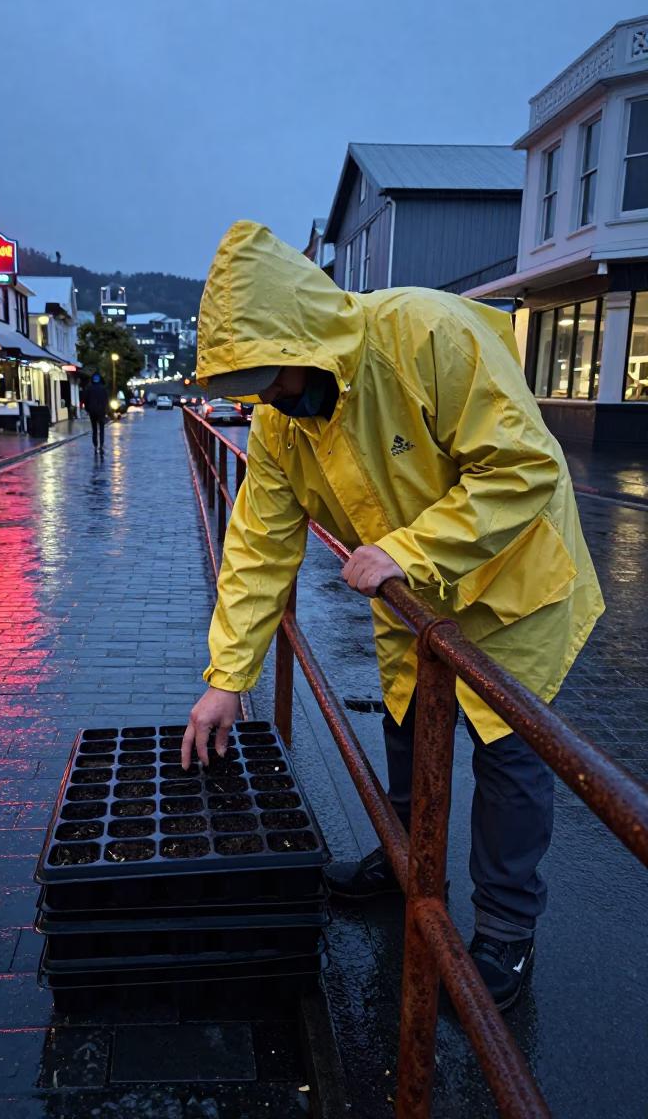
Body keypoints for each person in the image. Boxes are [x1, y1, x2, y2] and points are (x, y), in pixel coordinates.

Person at [181, 220, 604, 1011]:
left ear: (304, 336)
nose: (268, 397)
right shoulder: (281, 427)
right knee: (409, 721)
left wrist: (411, 549)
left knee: (509, 752)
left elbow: (524, 467)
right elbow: (258, 550)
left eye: (270, 376)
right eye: (252, 385)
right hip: (410, 589)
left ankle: (507, 935)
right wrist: (227, 679)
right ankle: (407, 859)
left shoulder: (424, 333)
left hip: (509, 577)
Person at [84, 372, 108, 453]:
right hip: (101, 412)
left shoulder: (89, 388)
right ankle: (101, 445)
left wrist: (88, 409)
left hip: (92, 412)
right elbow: (106, 401)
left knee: (94, 429)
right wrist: (106, 411)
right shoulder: (103, 388)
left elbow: (86, 400)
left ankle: (95, 445)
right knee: (101, 429)